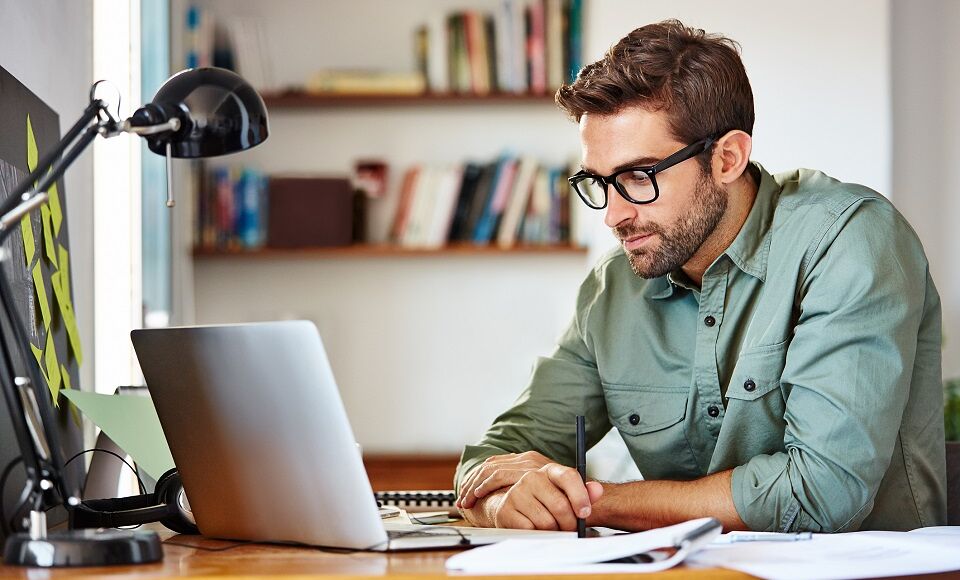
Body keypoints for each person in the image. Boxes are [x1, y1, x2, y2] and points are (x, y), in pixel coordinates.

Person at [454, 19, 946, 533]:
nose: (613, 216)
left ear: (727, 158)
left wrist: (589, 503)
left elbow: (821, 493)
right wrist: (502, 501)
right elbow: (497, 459)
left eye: (638, 177)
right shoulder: (613, 287)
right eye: (599, 182)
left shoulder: (847, 240)